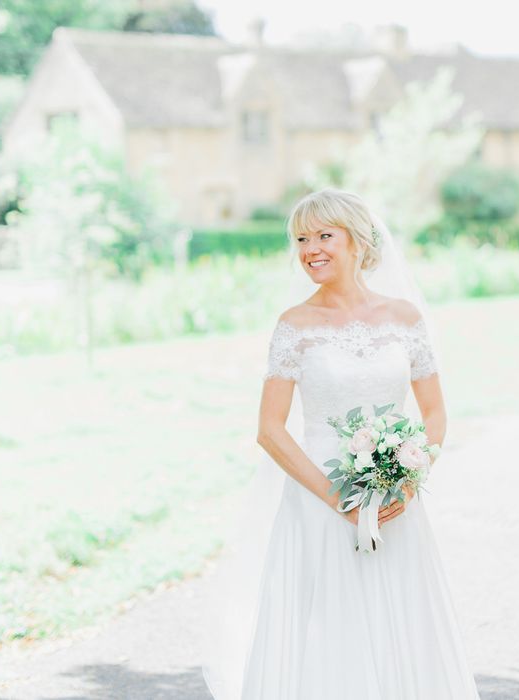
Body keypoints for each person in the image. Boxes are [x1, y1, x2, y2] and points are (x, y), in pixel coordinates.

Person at [201, 187, 481, 699]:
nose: (311, 249)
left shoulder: (405, 319)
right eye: (301, 239)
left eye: (324, 235)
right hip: (319, 495)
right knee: (327, 624)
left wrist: (410, 480)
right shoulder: (295, 326)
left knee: (395, 618)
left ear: (357, 241)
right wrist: (339, 501)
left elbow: (435, 412)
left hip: (394, 497)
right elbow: (270, 429)